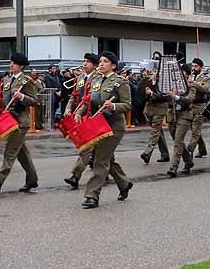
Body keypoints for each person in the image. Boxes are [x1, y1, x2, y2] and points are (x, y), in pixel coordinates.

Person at [80, 51, 133, 209]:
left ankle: (91, 195)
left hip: (113, 126)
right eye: (100, 61)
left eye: (105, 62)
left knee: (100, 160)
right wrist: (79, 112)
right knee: (105, 158)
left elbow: (128, 104)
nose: (101, 64)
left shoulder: (120, 82)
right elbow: (89, 100)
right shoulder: (96, 80)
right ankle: (124, 184)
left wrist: (114, 106)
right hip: (98, 124)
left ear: (113, 65)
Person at [0, 52, 39, 198]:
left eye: (14, 63)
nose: (11, 65)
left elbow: (35, 101)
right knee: (22, 154)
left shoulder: (26, 81)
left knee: (10, 151)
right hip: (9, 119)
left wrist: (22, 97)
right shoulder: (8, 79)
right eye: (10, 62)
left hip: (20, 122)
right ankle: (32, 180)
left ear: (21, 66)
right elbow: (2, 97)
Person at [63, 53, 100, 190]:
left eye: (88, 62)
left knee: (86, 147)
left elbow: (90, 99)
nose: (84, 64)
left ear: (95, 65)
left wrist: (78, 111)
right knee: (100, 151)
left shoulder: (98, 78)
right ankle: (106, 172)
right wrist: (68, 109)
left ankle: (75, 176)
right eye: (84, 61)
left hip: (94, 116)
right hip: (82, 117)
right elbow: (74, 96)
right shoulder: (79, 78)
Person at [165, 62, 196, 178]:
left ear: (186, 74)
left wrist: (176, 97)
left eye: (181, 72)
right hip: (173, 115)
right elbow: (163, 97)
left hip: (185, 114)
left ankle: (173, 167)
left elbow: (190, 99)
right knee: (177, 141)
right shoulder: (172, 84)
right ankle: (188, 161)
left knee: (178, 141)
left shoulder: (191, 85)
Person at [139, 61, 171, 165]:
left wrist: (151, 93)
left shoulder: (165, 80)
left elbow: (166, 96)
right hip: (150, 107)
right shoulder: (148, 80)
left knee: (155, 131)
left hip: (161, 107)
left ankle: (147, 152)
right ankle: (165, 154)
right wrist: (146, 93)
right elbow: (141, 93)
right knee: (158, 132)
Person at [186, 58, 210, 157]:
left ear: (201, 67)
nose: (193, 68)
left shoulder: (205, 78)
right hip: (190, 106)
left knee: (195, 131)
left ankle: (189, 150)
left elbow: (206, 89)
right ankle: (202, 149)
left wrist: (194, 83)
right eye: (192, 66)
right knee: (194, 130)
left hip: (200, 106)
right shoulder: (190, 77)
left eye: (196, 66)